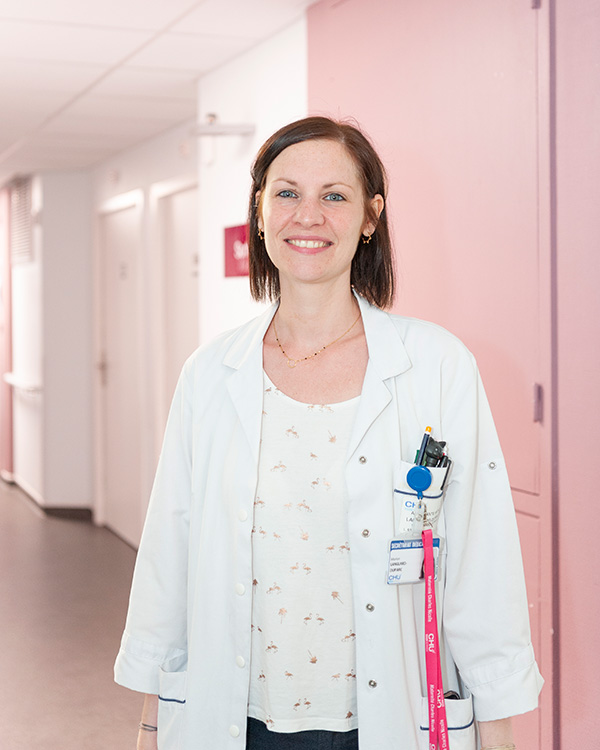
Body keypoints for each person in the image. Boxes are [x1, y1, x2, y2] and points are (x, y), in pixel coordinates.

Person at [114, 116, 543, 750]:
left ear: (370, 216)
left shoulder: (436, 365)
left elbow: (482, 557)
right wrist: (152, 724)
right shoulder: (210, 374)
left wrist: (499, 732)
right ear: (260, 212)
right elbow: (169, 554)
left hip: (386, 718)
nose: (307, 216)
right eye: (286, 193)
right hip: (234, 718)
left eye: (334, 196)